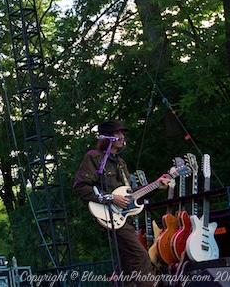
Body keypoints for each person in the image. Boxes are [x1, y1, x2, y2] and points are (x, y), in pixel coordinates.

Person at [72, 120, 171, 287]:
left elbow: (130, 194)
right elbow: (80, 187)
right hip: (108, 215)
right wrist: (110, 198)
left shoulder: (120, 163)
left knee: (126, 266)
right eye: (118, 133)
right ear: (107, 137)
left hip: (124, 217)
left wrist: (155, 186)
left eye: (122, 134)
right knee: (140, 255)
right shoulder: (94, 157)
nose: (122, 137)